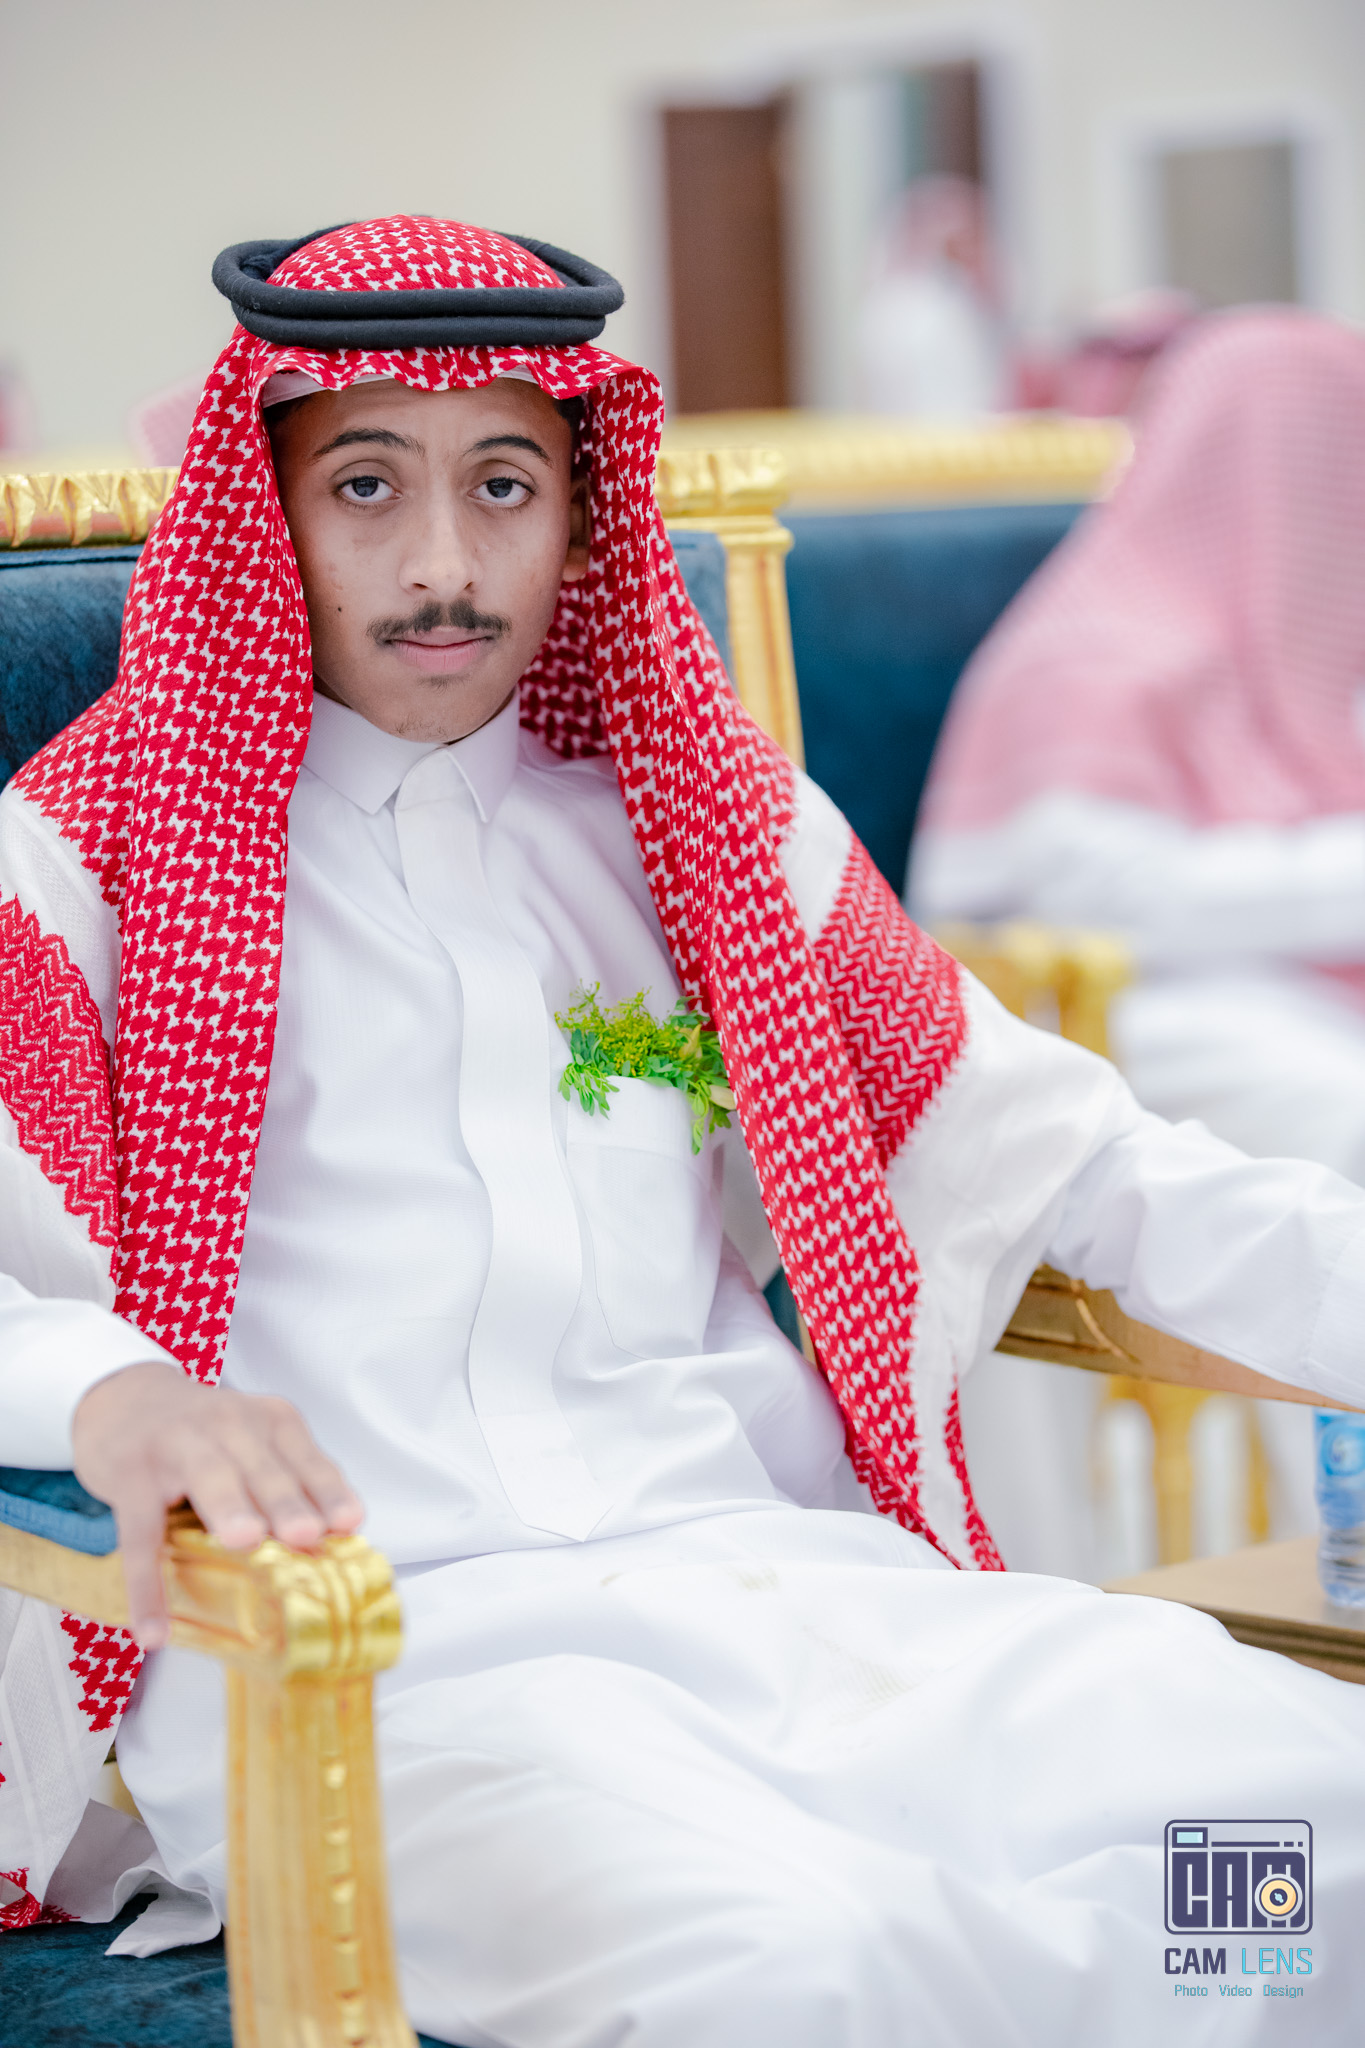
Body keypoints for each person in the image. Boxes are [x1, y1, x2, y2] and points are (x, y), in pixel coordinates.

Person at [3, 221, 1365, 2047]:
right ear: (266, 510)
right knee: (803, 1974)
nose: (442, 564)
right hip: (398, 1674)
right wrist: (108, 1392)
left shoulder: (706, 829)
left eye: (504, 486)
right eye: (366, 486)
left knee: (1310, 1845)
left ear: (582, 516)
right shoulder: (84, 861)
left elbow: (1087, 1162)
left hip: (808, 1606)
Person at [910, 309, 1365, 1559]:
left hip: (1271, 1004)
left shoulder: (1310, 657)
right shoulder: (1091, 649)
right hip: (1097, 1018)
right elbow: (1091, 898)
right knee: (1333, 1109)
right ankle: (1338, 1546)